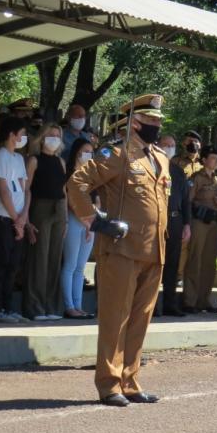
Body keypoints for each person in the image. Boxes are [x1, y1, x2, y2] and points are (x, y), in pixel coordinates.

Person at [67, 94, 170, 407]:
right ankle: (109, 384)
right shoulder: (117, 153)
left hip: (154, 251)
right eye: (152, 120)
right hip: (122, 249)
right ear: (135, 123)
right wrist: (95, 221)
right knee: (116, 318)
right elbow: (77, 183)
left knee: (140, 320)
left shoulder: (161, 158)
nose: (157, 125)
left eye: (159, 120)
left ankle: (130, 381)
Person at [0, 116, 30, 323]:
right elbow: (4, 191)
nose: (23, 138)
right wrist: (16, 219)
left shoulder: (19, 158)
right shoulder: (1, 156)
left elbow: (24, 189)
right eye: (21, 134)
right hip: (3, 218)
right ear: (12, 135)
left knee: (13, 265)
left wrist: (24, 218)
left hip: (18, 219)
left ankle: (8, 306)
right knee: (1, 263)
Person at [22, 123, 67, 321]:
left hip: (59, 209)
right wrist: (27, 218)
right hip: (39, 207)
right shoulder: (34, 160)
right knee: (39, 258)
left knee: (55, 258)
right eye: (50, 135)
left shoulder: (61, 162)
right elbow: (27, 188)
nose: (54, 139)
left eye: (57, 135)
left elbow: (64, 191)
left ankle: (51, 306)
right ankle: (35, 307)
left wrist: (64, 218)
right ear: (41, 138)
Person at [151, 135, 192, 317]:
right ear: (157, 146)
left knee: (172, 264)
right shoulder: (151, 167)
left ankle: (169, 303)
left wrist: (187, 224)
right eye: (166, 145)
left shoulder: (177, 171)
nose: (169, 148)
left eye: (173, 145)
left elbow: (185, 200)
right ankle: (151, 306)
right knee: (154, 264)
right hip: (157, 220)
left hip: (175, 221)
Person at [60, 138, 97, 320]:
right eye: (85, 151)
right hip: (75, 223)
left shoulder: (91, 174)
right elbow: (72, 202)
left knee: (80, 268)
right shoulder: (70, 173)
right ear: (76, 152)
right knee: (70, 265)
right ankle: (69, 306)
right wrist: (86, 221)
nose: (88, 154)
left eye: (91, 151)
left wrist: (92, 222)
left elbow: (95, 200)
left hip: (89, 225)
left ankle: (79, 306)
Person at [183, 146, 217, 314]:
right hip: (199, 222)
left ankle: (203, 300)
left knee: (209, 263)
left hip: (212, 223)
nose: (216, 162)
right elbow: (188, 201)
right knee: (195, 260)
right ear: (204, 160)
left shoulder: (215, 179)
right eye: (213, 158)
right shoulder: (196, 178)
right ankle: (190, 301)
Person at [174, 131, 204, 279]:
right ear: (183, 144)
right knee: (182, 242)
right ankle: (177, 274)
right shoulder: (176, 162)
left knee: (195, 245)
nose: (192, 144)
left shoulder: (204, 164)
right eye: (189, 141)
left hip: (198, 210)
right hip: (181, 208)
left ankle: (188, 275)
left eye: (195, 141)